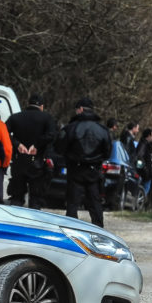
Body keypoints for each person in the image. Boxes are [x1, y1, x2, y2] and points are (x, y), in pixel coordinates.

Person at [55, 97, 111, 227]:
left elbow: (59, 148)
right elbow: (107, 152)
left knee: (72, 204)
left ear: (80, 109)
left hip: (75, 170)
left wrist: (70, 156)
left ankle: (71, 231)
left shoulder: (71, 128)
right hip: (94, 171)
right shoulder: (102, 130)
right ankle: (98, 231)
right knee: (95, 204)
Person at [6, 92, 57, 209]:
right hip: (38, 162)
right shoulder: (47, 118)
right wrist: (37, 145)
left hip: (19, 161)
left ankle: (15, 223)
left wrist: (17, 144)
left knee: (17, 198)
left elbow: (3, 132)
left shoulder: (16, 117)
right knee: (36, 199)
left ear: (27, 104)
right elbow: (52, 135)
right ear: (42, 106)